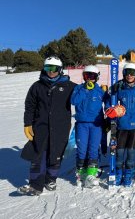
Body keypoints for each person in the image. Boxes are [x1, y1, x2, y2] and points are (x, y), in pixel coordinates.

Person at [19, 56, 76, 195]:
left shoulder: (69, 86)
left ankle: (51, 179)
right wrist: (28, 123)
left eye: (54, 69)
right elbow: (30, 106)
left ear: (60, 70)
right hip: (41, 127)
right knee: (38, 155)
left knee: (55, 154)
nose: (50, 71)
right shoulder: (37, 86)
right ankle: (35, 185)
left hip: (61, 127)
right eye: (47, 68)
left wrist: (95, 90)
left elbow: (83, 96)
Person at [104, 62, 135, 186]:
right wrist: (111, 110)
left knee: (131, 152)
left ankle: (128, 173)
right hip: (121, 125)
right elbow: (110, 102)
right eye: (127, 72)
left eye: (132, 73)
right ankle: (118, 172)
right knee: (119, 152)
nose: (129, 75)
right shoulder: (119, 87)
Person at [71, 65, 105, 187]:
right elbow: (74, 101)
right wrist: (85, 89)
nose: (89, 78)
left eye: (92, 76)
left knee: (93, 149)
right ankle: (81, 173)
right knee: (82, 150)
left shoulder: (100, 90)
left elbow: (109, 101)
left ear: (97, 77)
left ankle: (91, 174)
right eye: (87, 75)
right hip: (82, 124)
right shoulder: (79, 88)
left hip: (96, 124)